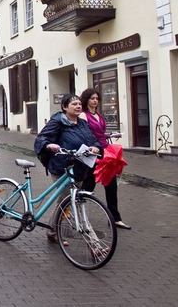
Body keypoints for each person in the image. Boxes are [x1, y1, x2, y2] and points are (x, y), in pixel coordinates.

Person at [34, 93, 101, 243]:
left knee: (64, 200)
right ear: (65, 107)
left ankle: (52, 229)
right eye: (74, 104)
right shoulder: (58, 121)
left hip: (78, 167)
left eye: (79, 104)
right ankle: (93, 242)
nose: (78, 106)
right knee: (69, 200)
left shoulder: (82, 123)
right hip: (61, 167)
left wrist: (95, 147)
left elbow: (93, 139)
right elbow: (41, 137)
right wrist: (48, 145)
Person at [79, 88, 131, 230]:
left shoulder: (98, 115)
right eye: (92, 98)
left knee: (111, 186)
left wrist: (110, 135)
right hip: (93, 154)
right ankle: (75, 214)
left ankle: (115, 218)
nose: (95, 101)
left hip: (105, 152)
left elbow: (99, 133)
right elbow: (86, 135)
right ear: (86, 100)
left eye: (97, 98)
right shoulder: (83, 115)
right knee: (88, 187)